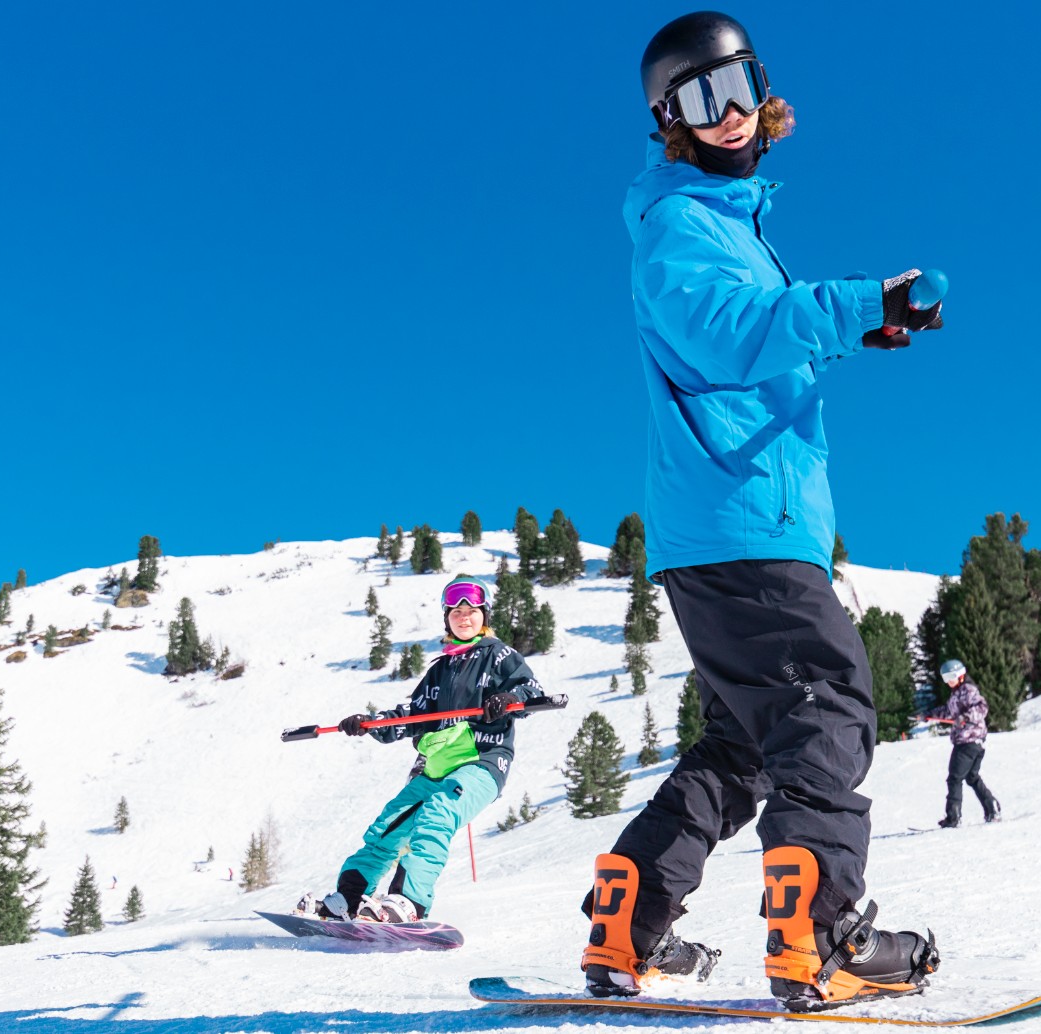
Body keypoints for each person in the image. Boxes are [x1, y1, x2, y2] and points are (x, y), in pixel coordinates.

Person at [578, 11, 942, 1013]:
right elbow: (729, 335)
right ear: (668, 118)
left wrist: (849, 337)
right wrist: (861, 301)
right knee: (826, 701)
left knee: (743, 741)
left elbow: (750, 346)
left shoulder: (720, 219)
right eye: (701, 99)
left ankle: (624, 923)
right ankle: (817, 938)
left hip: (724, 524)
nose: (729, 114)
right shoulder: (677, 223)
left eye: (738, 86)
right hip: (740, 521)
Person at [298, 576, 544, 923]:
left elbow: (531, 690)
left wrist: (508, 699)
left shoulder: (499, 655)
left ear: (484, 615)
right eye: (456, 611)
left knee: (438, 814)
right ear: (447, 618)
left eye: (472, 610)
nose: (464, 617)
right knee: (388, 827)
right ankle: (351, 899)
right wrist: (370, 723)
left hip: (482, 762)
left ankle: (407, 901)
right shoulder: (441, 669)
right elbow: (413, 716)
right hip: (435, 767)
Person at [923, 660, 1001, 828]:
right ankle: (992, 808)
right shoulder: (956, 694)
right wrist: (928, 715)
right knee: (972, 777)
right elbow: (948, 712)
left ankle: (953, 817)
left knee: (954, 778)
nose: (948, 681)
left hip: (969, 741)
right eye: (945, 678)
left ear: (960, 675)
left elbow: (982, 707)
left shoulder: (968, 690)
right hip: (974, 742)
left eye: (951, 677)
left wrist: (965, 717)